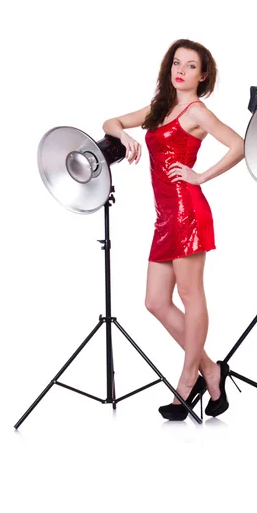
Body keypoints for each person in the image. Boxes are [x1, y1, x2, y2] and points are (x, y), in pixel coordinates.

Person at [102, 38, 244, 420]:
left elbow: (239, 145)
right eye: (176, 63)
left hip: (187, 212)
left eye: (190, 65)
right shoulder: (160, 108)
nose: (180, 70)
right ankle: (211, 370)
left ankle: (187, 380)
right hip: (164, 216)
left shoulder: (198, 112)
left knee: (189, 293)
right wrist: (125, 136)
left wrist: (200, 176)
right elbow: (110, 122)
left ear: (204, 74)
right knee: (155, 301)